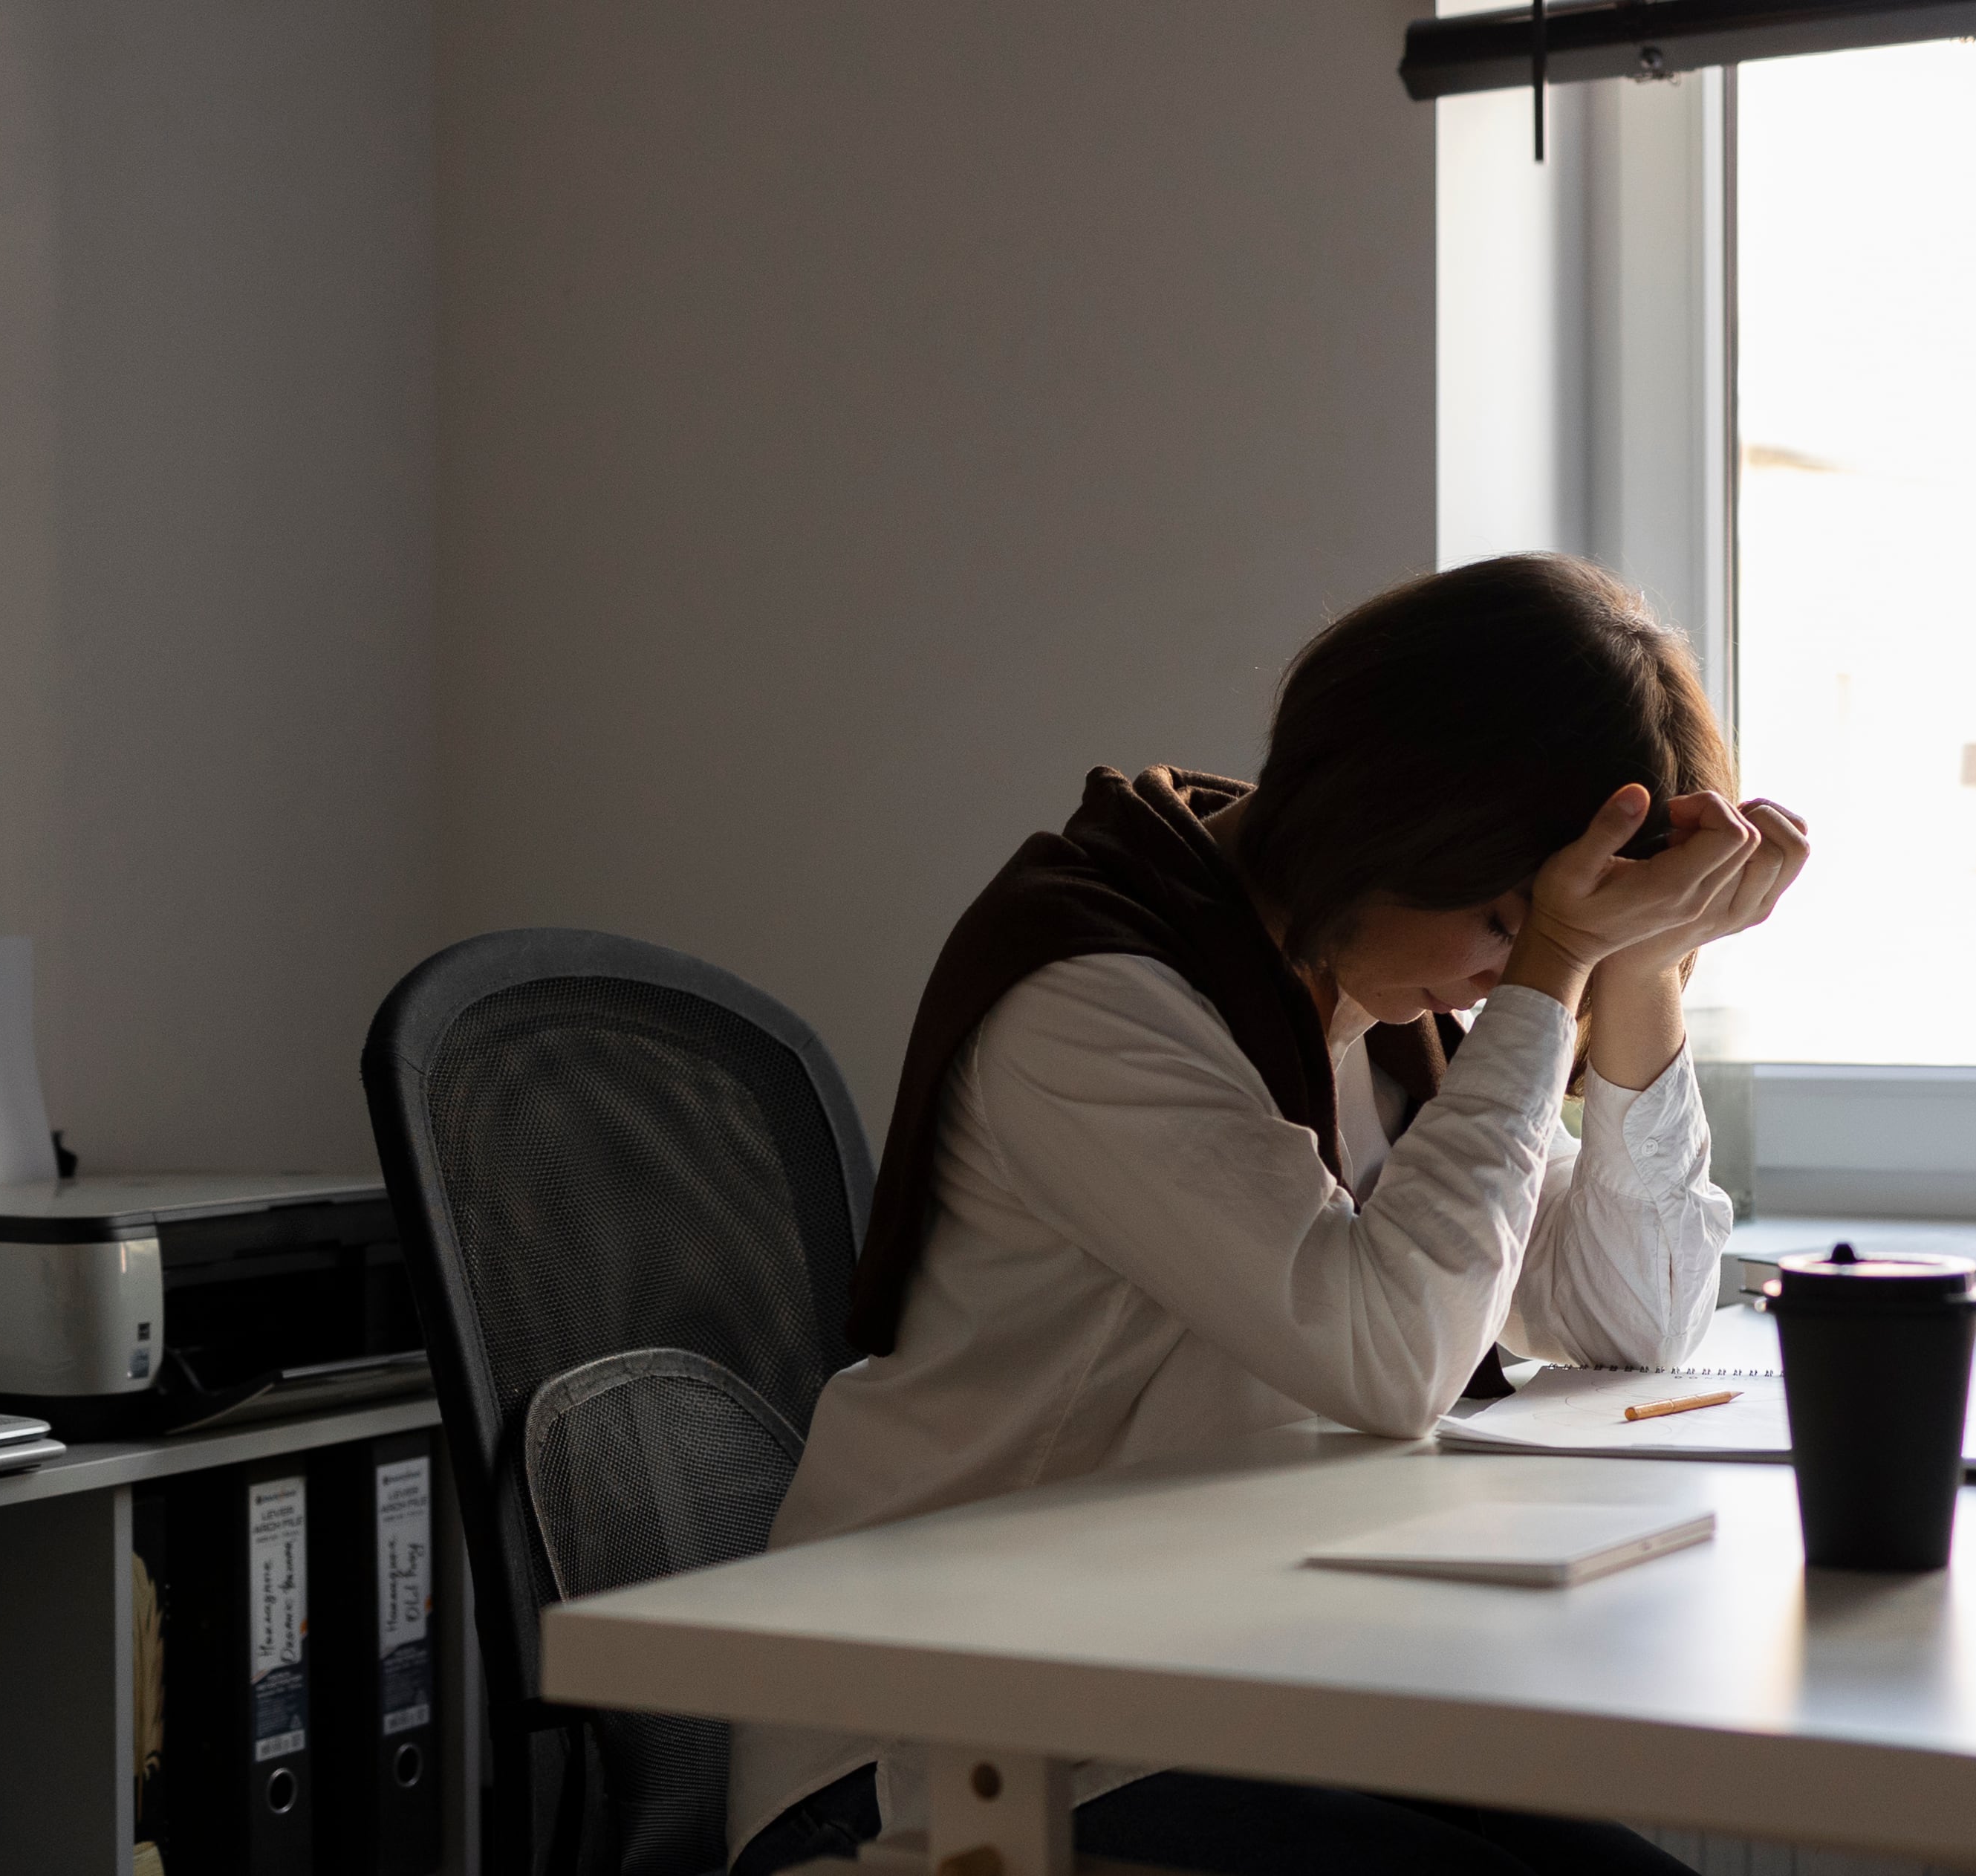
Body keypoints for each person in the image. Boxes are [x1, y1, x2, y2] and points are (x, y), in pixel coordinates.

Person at [729, 554, 1810, 1876]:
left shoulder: (1370, 1004)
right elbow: (1389, 1360)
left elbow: (1628, 1323)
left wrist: (1637, 968)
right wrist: (1550, 974)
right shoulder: (1093, 996)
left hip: (1201, 1686)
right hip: (940, 1737)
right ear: (1394, 826)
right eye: (1497, 920)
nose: (1500, 970)